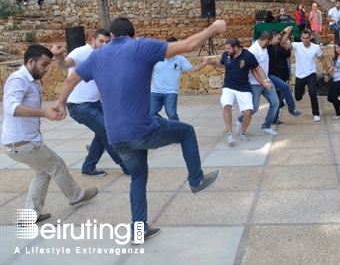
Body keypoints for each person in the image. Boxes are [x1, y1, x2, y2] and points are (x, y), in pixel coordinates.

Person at [53, 17, 226, 242]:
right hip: (142, 129)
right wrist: (213, 28)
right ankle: (196, 180)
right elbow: (189, 46)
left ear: (112, 36)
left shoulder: (97, 55)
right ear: (133, 35)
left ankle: (138, 230)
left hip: (115, 137)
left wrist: (60, 103)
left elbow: (69, 80)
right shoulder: (141, 46)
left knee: (138, 177)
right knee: (186, 132)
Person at [3, 44, 98, 223]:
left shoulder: (28, 79)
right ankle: (76, 196)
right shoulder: (18, 80)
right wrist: (44, 112)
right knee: (57, 165)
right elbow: (11, 108)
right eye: (44, 65)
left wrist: (49, 110)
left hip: (19, 144)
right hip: (24, 143)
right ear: (31, 61)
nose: (47, 69)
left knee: (43, 172)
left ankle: (30, 215)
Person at [51, 29, 129, 176]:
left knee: (101, 133)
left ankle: (88, 166)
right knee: (107, 132)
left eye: (107, 42)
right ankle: (127, 166)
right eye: (101, 41)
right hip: (79, 105)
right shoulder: (81, 52)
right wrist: (58, 57)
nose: (104, 44)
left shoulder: (106, 55)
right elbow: (63, 66)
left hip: (94, 103)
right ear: (93, 40)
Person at [208, 37, 264, 144]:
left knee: (248, 112)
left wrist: (265, 80)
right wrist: (211, 62)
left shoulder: (248, 55)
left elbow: (258, 68)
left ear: (236, 47)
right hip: (229, 86)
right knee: (227, 105)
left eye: (229, 49)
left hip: (243, 87)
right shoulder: (226, 55)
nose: (226, 51)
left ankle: (242, 132)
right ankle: (229, 133)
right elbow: (221, 64)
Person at [234, 31, 280, 137]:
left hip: (266, 80)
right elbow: (254, 70)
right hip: (254, 83)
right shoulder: (253, 51)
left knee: (275, 102)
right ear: (266, 40)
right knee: (254, 108)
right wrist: (263, 83)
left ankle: (266, 127)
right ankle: (240, 120)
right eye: (269, 41)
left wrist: (266, 81)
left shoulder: (264, 48)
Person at [151, 37, 208, 121]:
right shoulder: (156, 57)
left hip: (171, 92)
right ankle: (166, 125)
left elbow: (191, 69)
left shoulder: (180, 59)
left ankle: (177, 131)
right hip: (155, 91)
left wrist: (203, 64)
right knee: (151, 114)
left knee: (172, 114)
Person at [281, 27, 329, 122]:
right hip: (300, 75)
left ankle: (316, 114)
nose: (305, 40)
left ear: (310, 37)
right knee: (298, 97)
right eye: (303, 38)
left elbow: (322, 59)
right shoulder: (296, 45)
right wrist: (286, 33)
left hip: (311, 73)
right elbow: (282, 44)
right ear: (301, 37)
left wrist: (326, 72)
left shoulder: (316, 48)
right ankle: (301, 89)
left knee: (312, 93)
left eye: (307, 38)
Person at [267, 30, 303, 121]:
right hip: (274, 74)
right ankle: (291, 109)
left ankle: (274, 119)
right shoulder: (269, 47)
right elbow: (287, 54)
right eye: (278, 39)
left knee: (278, 98)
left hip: (277, 73)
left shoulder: (274, 46)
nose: (279, 41)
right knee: (284, 88)